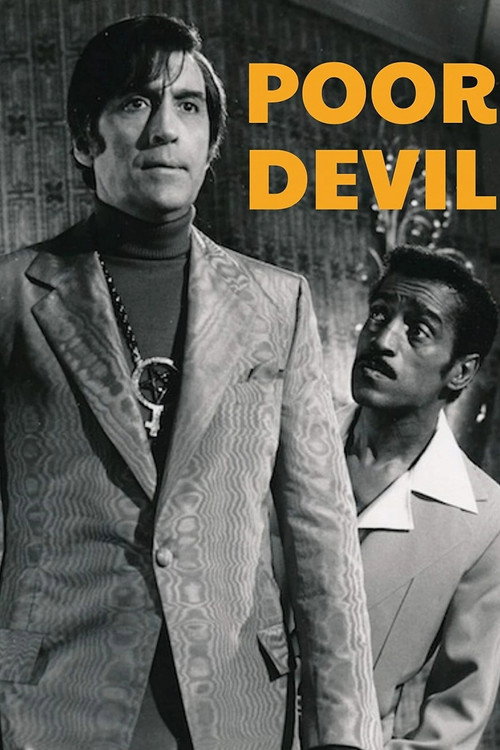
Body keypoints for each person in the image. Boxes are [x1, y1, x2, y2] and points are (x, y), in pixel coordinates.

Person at [0, 15, 382, 750]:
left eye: (188, 105)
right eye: (134, 103)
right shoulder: (15, 294)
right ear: (84, 139)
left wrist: (341, 733)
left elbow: (324, 543)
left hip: (235, 707)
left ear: (211, 144)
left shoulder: (278, 303)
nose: (164, 129)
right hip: (50, 707)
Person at [340, 245, 500, 748]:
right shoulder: (277, 443)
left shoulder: (484, 519)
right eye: (379, 314)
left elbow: (455, 722)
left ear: (461, 372)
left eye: (418, 330)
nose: (383, 339)